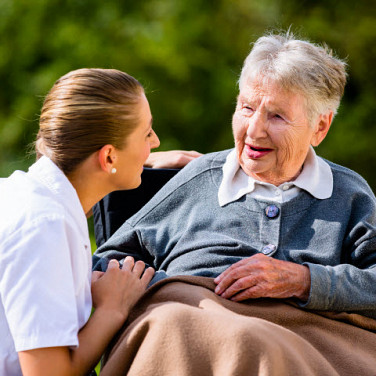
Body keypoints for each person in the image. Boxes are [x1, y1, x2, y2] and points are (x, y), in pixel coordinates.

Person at [93, 33, 376, 375]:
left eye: (277, 117)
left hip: (306, 347)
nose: (254, 131)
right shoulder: (200, 179)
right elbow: (107, 265)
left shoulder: (348, 195)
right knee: (175, 322)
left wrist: (304, 280)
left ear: (320, 126)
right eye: (247, 108)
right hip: (191, 330)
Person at [0, 68, 200, 376]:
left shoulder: (24, 194)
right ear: (108, 158)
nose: (157, 142)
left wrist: (140, 161)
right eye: (147, 134)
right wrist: (112, 308)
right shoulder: (44, 227)